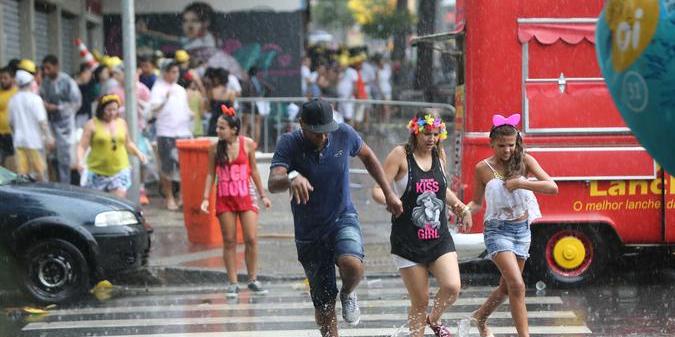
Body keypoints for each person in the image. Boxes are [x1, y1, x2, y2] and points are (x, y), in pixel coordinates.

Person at [268, 98, 403, 337]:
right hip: (309, 232)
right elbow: (273, 182)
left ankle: (349, 293)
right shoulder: (289, 143)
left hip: (343, 217)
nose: (323, 137)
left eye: (326, 131)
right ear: (302, 124)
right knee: (324, 305)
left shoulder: (343, 133)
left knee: (352, 265)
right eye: (316, 133)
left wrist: (389, 192)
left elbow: (369, 157)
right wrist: (291, 176)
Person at [372, 110, 472, 337]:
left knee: (452, 287)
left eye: (436, 134)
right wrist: (390, 199)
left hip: (439, 238)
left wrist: (460, 207)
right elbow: (377, 189)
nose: (432, 139)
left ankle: (433, 320)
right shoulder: (400, 155)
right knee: (420, 300)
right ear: (415, 131)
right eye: (427, 133)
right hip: (407, 240)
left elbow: (441, 188)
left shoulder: (439, 155)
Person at [466, 114, 558, 337]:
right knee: (517, 285)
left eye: (511, 145)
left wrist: (522, 182)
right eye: (501, 146)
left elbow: (552, 187)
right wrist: (464, 210)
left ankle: (480, 317)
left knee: (507, 287)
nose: (507, 150)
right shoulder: (483, 168)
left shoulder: (525, 161)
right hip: (497, 231)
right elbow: (477, 203)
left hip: (522, 231)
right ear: (491, 144)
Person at [200, 105, 272, 297]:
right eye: (217, 127)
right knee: (229, 241)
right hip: (224, 197)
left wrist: (263, 194)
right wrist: (206, 198)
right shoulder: (214, 148)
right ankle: (232, 282)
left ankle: (253, 279)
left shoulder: (247, 144)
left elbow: (254, 170)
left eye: (222, 127)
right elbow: (210, 174)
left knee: (251, 238)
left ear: (234, 129)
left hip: (245, 195)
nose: (218, 131)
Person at [76, 95, 146, 198]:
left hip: (119, 170)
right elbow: (82, 146)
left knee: (117, 202)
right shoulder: (91, 124)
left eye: (115, 109)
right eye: (108, 110)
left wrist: (138, 153)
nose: (112, 113)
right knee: (98, 204)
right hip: (97, 171)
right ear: (101, 109)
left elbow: (128, 143)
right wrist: (80, 161)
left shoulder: (122, 123)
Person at [149, 61, 193, 210]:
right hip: (166, 132)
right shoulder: (158, 89)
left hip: (183, 132)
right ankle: (169, 197)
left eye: (176, 72)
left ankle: (181, 195)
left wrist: (190, 116)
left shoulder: (181, 89)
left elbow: (186, 109)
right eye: (172, 72)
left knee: (184, 166)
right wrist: (165, 98)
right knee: (167, 166)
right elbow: (153, 109)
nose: (175, 75)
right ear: (165, 73)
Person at [40, 54, 82, 183]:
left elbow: (76, 103)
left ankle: (67, 185)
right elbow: (41, 98)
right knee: (52, 157)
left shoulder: (67, 81)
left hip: (65, 125)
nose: (46, 72)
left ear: (56, 66)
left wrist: (58, 108)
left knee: (65, 158)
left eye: (49, 68)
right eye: (44, 69)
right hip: (50, 124)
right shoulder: (45, 83)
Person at [9, 70, 54, 181]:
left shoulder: (13, 100)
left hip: (19, 143)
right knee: (40, 175)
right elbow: (42, 122)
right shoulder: (35, 99)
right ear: (30, 83)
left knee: (23, 177)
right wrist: (49, 138)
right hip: (35, 143)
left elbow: (11, 123)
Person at [0, 67, 18, 169]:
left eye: (5, 78)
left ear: (12, 78)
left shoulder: (17, 93)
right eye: (1, 78)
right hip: (0, 134)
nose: (2, 80)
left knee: (12, 165)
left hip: (12, 135)